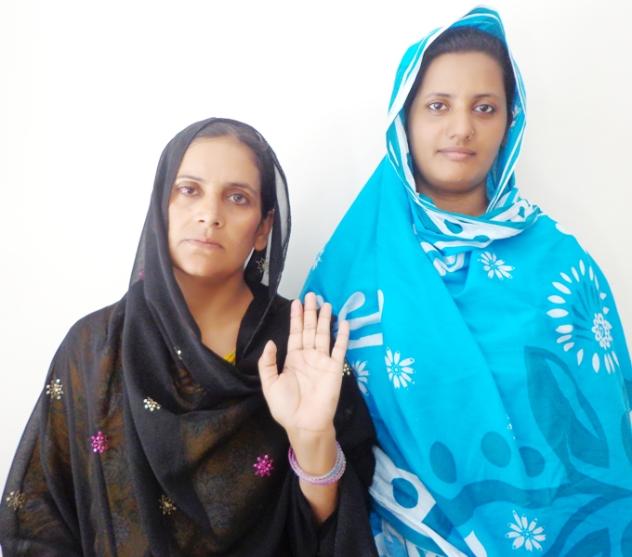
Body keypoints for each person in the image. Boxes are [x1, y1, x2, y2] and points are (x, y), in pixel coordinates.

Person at [303, 7, 632, 556]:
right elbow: (324, 441)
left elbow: (609, 430)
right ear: (404, 119)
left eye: (485, 107)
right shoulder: (350, 277)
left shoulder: (562, 265)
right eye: (438, 106)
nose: (462, 128)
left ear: (510, 122)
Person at [0, 118, 377, 556]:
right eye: (189, 190)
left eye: (237, 197)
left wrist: (311, 439)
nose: (209, 215)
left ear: (263, 229)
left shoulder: (303, 347)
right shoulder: (96, 347)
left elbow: (336, 530)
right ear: (161, 206)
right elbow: (37, 519)